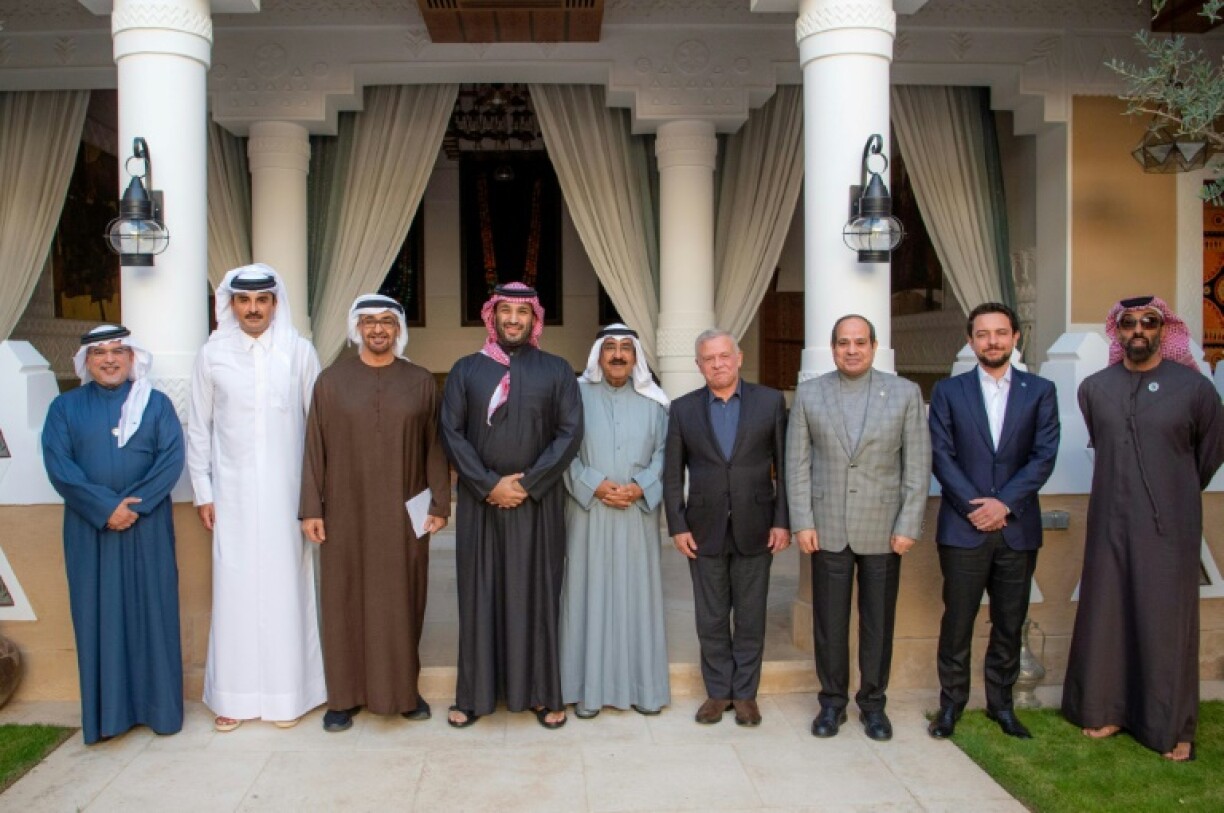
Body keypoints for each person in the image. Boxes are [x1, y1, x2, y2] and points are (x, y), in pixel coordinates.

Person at [1062, 295, 1224, 763]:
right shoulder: (1095, 388)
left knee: (1165, 624)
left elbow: (1209, 452)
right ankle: (1107, 710)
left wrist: (1173, 491)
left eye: (1149, 322)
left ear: (1163, 329)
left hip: (1170, 527)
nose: (1138, 330)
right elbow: (1103, 441)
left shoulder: (1193, 389)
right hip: (1110, 519)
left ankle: (1171, 725)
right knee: (1108, 614)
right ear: (1118, 331)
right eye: (1128, 322)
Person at [299, 294, 451, 733]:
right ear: (356, 329)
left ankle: (403, 692)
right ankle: (343, 698)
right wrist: (312, 508)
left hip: (407, 511)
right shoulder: (330, 381)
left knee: (403, 599)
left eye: (387, 322)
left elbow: (434, 448)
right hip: (343, 510)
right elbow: (313, 449)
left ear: (398, 329)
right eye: (369, 322)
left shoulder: (421, 381)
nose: (378, 330)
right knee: (344, 599)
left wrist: (439, 504)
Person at [187, 264, 326, 732]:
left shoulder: (299, 352)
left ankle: (291, 697)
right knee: (235, 595)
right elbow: (199, 428)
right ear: (231, 304)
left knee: (289, 591)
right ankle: (234, 698)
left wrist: (315, 498)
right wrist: (203, 491)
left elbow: (318, 431)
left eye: (261, 300)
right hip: (233, 498)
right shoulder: (212, 356)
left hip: (290, 498)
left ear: (274, 303)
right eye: (244, 301)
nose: (252, 309)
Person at [440, 282, 583, 730]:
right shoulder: (465, 371)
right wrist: (487, 485)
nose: (514, 320)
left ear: (534, 319)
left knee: (537, 596)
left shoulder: (558, 370)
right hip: (480, 504)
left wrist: (528, 484)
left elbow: (570, 433)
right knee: (479, 597)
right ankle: (475, 696)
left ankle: (541, 694)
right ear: (493, 316)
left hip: (537, 505)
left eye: (522, 313)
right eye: (506, 312)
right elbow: (451, 433)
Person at [786, 314, 930, 741]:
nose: (852, 350)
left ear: (873, 346)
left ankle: (873, 704)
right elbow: (797, 464)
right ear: (832, 348)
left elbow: (917, 466)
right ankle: (831, 704)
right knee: (829, 623)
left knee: (877, 623)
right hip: (826, 527)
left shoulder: (905, 394)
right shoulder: (810, 394)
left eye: (860, 342)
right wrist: (802, 522)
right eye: (844, 343)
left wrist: (908, 524)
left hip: (885, 530)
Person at [42, 324, 185, 745]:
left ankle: (161, 712)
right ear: (86, 362)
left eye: (118, 351)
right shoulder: (64, 409)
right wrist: (105, 509)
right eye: (100, 353)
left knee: (153, 616)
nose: (109, 359)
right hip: (91, 530)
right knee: (97, 618)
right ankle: (108, 718)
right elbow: (59, 467)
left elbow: (170, 459)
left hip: (148, 526)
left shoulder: (156, 405)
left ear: (132, 358)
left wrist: (131, 507)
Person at [926, 302, 1060, 741]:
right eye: (983, 334)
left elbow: (1043, 457)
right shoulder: (949, 391)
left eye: (1001, 333)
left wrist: (1003, 504)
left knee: (1008, 621)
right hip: (962, 530)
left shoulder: (1040, 391)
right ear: (971, 341)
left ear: (1016, 337)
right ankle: (951, 707)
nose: (993, 341)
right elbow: (941, 456)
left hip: (1017, 530)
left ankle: (1001, 706)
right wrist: (975, 507)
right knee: (957, 622)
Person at [663, 328, 789, 727]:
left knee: (751, 615)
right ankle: (718, 692)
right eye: (708, 358)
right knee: (712, 616)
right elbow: (671, 475)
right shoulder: (682, 409)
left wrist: (783, 521)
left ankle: (746, 695)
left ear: (739, 358)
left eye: (723, 356)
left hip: (758, 524)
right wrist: (677, 525)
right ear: (699, 365)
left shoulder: (770, 402)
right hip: (703, 529)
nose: (717, 363)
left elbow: (785, 469)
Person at [560, 324, 671, 719]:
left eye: (627, 348)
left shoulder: (656, 403)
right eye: (610, 348)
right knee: (585, 595)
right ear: (598, 355)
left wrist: (641, 486)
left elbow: (666, 453)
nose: (619, 355)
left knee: (636, 598)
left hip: (636, 517)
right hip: (588, 512)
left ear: (637, 357)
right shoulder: (574, 397)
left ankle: (643, 690)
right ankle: (585, 691)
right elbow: (562, 450)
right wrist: (594, 484)